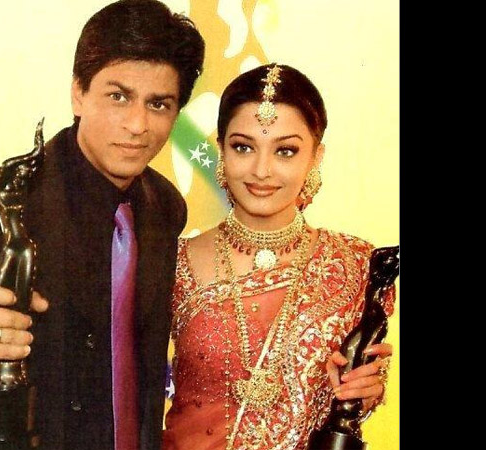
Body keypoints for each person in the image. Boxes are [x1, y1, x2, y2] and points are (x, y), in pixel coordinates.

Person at [0, 1, 205, 449]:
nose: (137, 125)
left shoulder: (166, 207)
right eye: (118, 96)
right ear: (78, 93)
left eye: (158, 104)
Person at [162, 63, 395, 450]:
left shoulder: (357, 266)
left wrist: (365, 392)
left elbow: (350, 404)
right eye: (243, 147)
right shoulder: (171, 263)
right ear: (220, 150)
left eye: (285, 151)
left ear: (316, 157)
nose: (261, 170)